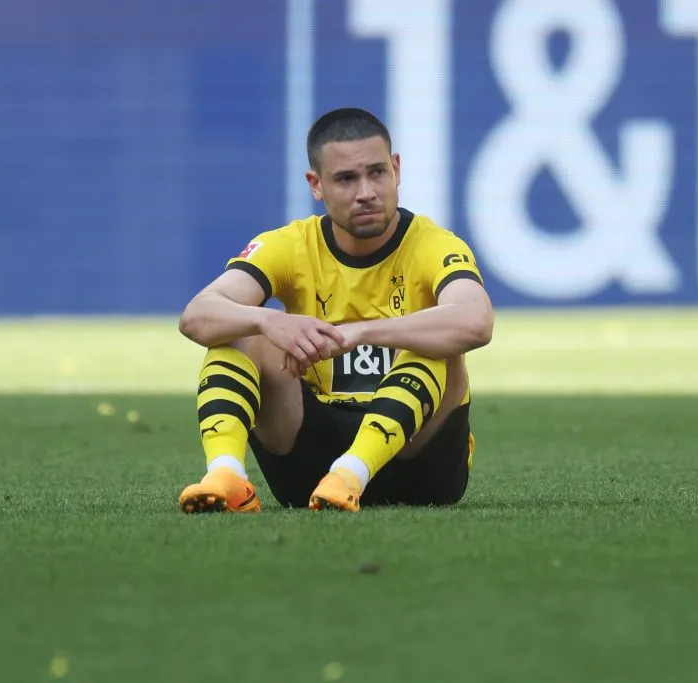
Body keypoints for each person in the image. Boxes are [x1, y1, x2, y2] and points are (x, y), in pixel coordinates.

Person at [176, 107, 494, 513]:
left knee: (436, 342)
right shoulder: (290, 245)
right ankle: (226, 475)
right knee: (235, 332)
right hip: (311, 464)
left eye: (377, 172)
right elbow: (197, 315)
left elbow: (477, 320)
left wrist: (358, 332)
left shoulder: (434, 243)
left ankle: (352, 474)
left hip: (421, 470)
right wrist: (269, 320)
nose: (366, 192)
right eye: (346, 178)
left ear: (396, 169)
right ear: (316, 184)